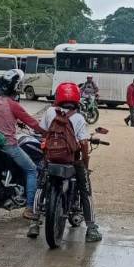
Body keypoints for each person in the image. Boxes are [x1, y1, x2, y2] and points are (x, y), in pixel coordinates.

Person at [32, 81, 101, 242]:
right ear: (77, 98)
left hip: (50, 159)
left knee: (40, 185)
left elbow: (43, 132)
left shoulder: (50, 112)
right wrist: (84, 163)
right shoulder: (78, 117)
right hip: (70, 161)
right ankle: (91, 228)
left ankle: (34, 222)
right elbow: (84, 143)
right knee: (85, 189)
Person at [0, 71, 46, 219]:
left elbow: (2, 116)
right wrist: (45, 132)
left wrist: (16, 120)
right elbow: (32, 122)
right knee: (32, 170)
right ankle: (29, 209)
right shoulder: (14, 105)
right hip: (8, 145)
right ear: (16, 87)